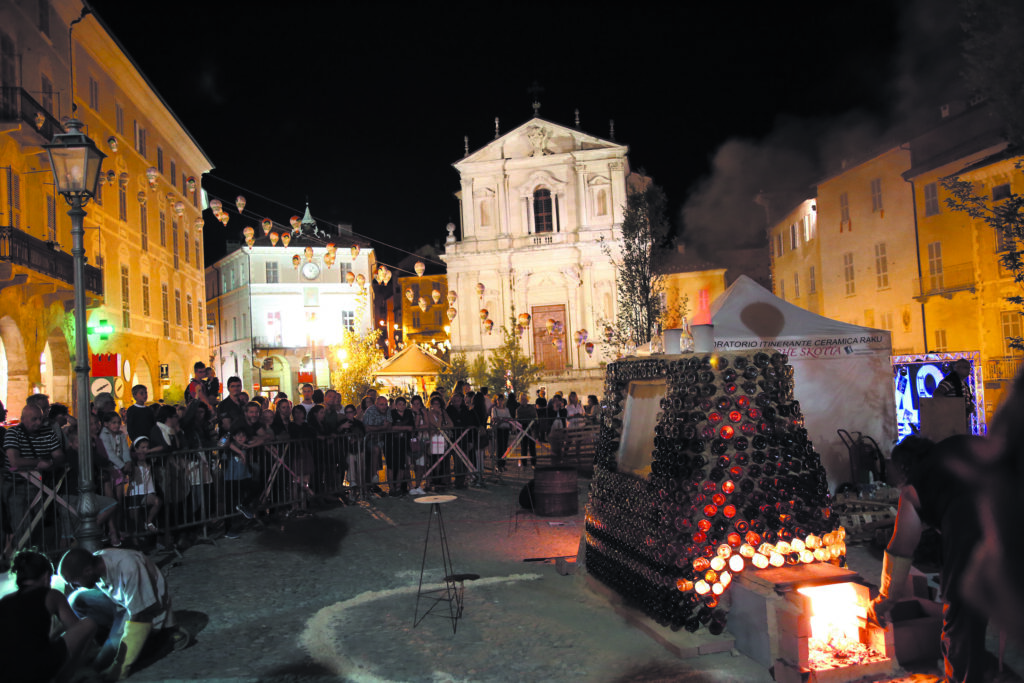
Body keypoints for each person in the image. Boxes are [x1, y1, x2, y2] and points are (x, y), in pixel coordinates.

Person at [868, 435, 988, 682]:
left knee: (962, 612)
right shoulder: (954, 449)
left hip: (973, 522)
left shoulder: (915, 487)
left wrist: (885, 599)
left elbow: (901, 547)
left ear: (903, 468)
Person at [59, 547, 189, 680]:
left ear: (87, 571)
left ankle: (165, 636)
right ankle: (109, 641)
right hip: (121, 605)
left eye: (74, 582)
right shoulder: (95, 562)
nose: (74, 586)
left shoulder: (129, 567)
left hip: (147, 613)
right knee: (76, 599)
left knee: (101, 664)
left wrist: (120, 666)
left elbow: (139, 615)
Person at [0, 549, 97, 683]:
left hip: (5, 674)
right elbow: (76, 628)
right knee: (88, 624)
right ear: (46, 577)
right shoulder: (51, 594)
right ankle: (64, 679)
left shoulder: (5, 600)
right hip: (35, 670)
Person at [3, 403, 65, 544]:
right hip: (17, 486)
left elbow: (59, 455)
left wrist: (51, 464)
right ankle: (20, 557)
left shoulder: (48, 432)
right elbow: (14, 461)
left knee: (38, 523)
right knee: (21, 524)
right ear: (23, 418)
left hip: (40, 485)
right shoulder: (13, 433)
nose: (38, 423)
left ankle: (35, 554)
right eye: (34, 419)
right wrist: (39, 463)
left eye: (41, 419)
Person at [126, 436, 161, 534]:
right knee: (135, 522)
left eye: (147, 447)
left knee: (157, 501)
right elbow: (128, 454)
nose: (145, 450)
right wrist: (132, 446)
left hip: (148, 491)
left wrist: (149, 450)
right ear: (136, 449)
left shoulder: (149, 460)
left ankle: (149, 522)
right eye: (142, 447)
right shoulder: (133, 461)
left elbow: (162, 447)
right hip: (135, 493)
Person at [388, 397, 415, 496]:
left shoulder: (408, 413)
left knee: (402, 466)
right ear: (396, 405)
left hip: (404, 442)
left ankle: (398, 487)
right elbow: (391, 427)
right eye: (399, 404)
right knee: (391, 466)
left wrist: (402, 428)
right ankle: (391, 487)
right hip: (392, 443)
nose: (402, 406)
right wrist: (405, 428)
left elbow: (412, 427)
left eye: (403, 404)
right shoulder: (392, 413)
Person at [515, 392, 538, 467]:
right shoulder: (519, 409)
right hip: (523, 429)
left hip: (531, 428)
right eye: (522, 399)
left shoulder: (531, 408)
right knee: (524, 446)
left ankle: (533, 462)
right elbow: (518, 419)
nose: (524, 401)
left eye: (525, 399)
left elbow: (535, 416)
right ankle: (524, 463)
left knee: (532, 446)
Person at [490, 394, 512, 471]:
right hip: (498, 429)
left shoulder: (506, 409)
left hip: (505, 429)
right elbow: (495, 418)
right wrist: (502, 419)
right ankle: (498, 464)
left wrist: (502, 419)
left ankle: (503, 463)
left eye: (501, 400)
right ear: (496, 401)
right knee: (499, 447)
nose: (500, 401)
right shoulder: (494, 409)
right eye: (499, 400)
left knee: (505, 446)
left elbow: (509, 418)